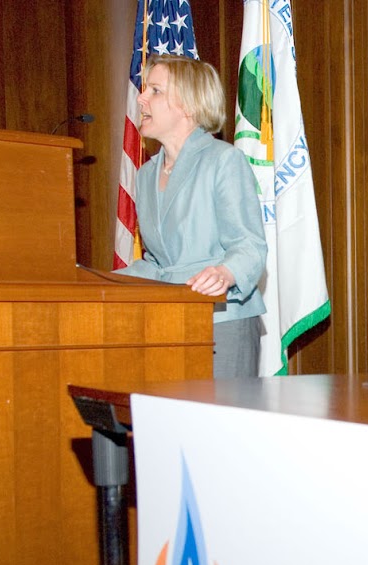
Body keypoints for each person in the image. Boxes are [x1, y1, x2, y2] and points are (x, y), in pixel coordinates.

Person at [118, 56, 267, 378]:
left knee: (221, 425)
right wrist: (108, 281)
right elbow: (159, 262)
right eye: (145, 90)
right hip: (169, 319)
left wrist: (227, 272)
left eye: (155, 90)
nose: (141, 98)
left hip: (222, 320)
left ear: (188, 104)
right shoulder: (145, 174)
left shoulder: (223, 160)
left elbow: (249, 245)